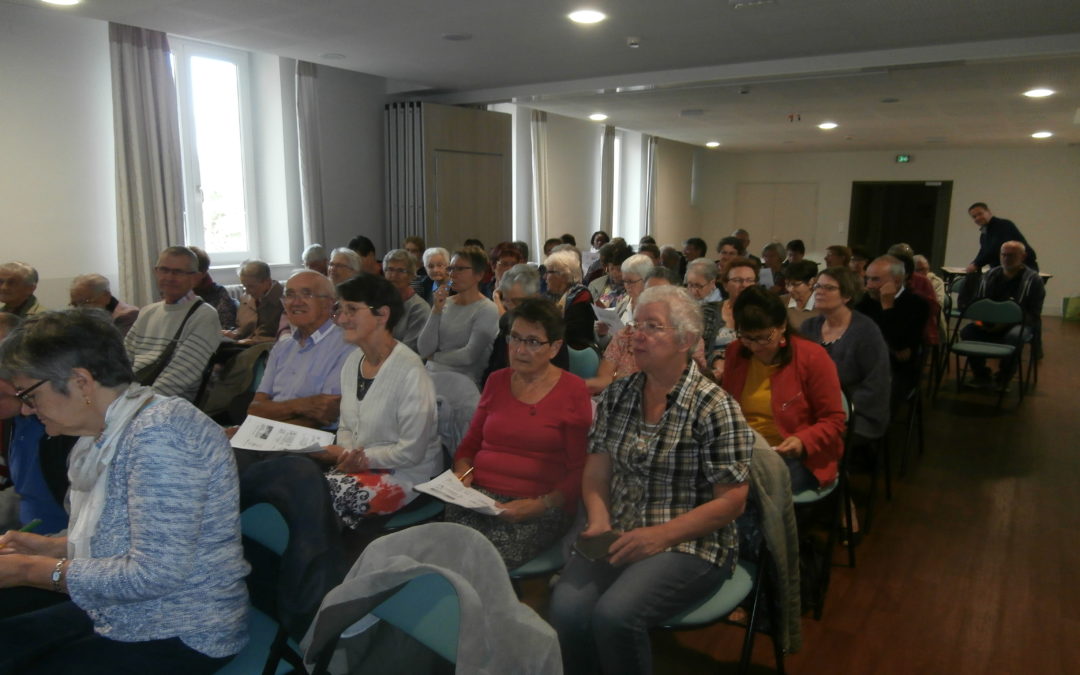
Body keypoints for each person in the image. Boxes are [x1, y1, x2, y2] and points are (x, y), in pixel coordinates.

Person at [0, 310, 248, 672]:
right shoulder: (111, 429)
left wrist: (29, 570)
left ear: (81, 381)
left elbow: (154, 574)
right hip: (124, 613)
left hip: (179, 629)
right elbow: (122, 538)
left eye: (30, 395)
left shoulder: (161, 435)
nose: (25, 408)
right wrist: (48, 546)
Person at [550, 285, 754, 675]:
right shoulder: (620, 394)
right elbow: (596, 469)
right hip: (621, 527)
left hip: (689, 540)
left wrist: (660, 536)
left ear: (686, 340)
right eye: (635, 324)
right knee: (566, 606)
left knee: (615, 615)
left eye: (652, 326)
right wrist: (598, 518)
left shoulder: (714, 406)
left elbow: (732, 502)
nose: (635, 335)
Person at [447, 299, 590, 569]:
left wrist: (540, 504)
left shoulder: (573, 391)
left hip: (536, 506)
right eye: (515, 338)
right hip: (478, 498)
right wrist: (463, 476)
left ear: (555, 347)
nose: (520, 349)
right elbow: (470, 446)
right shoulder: (496, 380)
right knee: (447, 548)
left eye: (533, 341)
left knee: (481, 561)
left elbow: (579, 469)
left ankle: (482, 608)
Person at [316, 274, 443, 526]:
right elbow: (346, 426)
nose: (341, 319)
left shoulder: (410, 371)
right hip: (360, 467)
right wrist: (348, 454)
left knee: (319, 499)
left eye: (351, 309)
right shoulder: (353, 362)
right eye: (340, 310)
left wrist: (360, 458)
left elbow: (411, 452)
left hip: (410, 475)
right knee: (301, 488)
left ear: (382, 315)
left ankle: (328, 560)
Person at [721, 285, 846, 491]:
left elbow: (834, 420)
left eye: (764, 337)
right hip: (746, 450)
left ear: (782, 326)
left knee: (743, 489)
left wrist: (801, 440)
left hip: (798, 455)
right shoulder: (736, 351)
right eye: (746, 337)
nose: (755, 346)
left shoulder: (811, 356)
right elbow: (727, 409)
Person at [246, 270, 354, 429]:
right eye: (289, 295)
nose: (296, 302)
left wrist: (272, 416)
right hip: (266, 436)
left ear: (329, 303)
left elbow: (325, 414)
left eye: (306, 294)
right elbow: (254, 409)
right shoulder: (282, 347)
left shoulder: (346, 346)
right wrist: (303, 405)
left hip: (312, 445)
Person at [799, 267, 892, 441]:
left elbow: (877, 384)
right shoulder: (809, 327)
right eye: (818, 286)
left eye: (829, 288)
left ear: (847, 296)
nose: (819, 292)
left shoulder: (866, 331)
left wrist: (831, 408)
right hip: (811, 407)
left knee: (808, 437)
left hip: (856, 411)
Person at [124, 246, 222, 401]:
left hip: (166, 405)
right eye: (163, 270)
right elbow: (122, 361)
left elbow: (179, 378)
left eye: (178, 272)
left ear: (195, 278)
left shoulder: (204, 316)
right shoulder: (147, 312)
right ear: (156, 272)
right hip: (133, 397)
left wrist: (135, 405)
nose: (169, 277)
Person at [961, 241, 1045, 390]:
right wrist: (981, 322)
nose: (1006, 258)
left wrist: (1005, 322)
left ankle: (1003, 378)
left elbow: (1033, 313)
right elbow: (978, 304)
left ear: (1023, 256)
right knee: (968, 331)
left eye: (1011, 255)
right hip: (988, 323)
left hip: (1019, 324)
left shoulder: (1033, 281)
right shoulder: (990, 275)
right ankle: (981, 375)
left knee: (1014, 336)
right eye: (1003, 255)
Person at [418, 248, 500, 386]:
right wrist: (436, 311)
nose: (452, 274)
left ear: (479, 275)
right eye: (450, 268)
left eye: (460, 269)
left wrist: (433, 357)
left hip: (464, 381)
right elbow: (424, 349)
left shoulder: (487, 309)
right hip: (431, 374)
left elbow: (469, 356)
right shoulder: (446, 303)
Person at [855, 255, 929, 400]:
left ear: (896, 281)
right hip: (865, 363)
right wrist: (888, 346)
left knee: (875, 396)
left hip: (898, 371)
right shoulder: (865, 301)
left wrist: (887, 307)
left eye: (875, 279)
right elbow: (856, 336)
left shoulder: (917, 304)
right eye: (867, 279)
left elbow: (901, 347)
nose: (868, 285)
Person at [543, 249, 596, 350]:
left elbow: (573, 336)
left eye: (548, 272)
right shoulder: (552, 296)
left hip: (573, 353)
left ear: (563, 275)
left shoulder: (581, 296)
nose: (544, 277)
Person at [965, 202, 1038, 272]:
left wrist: (976, 264)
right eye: (974, 217)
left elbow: (996, 248)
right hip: (1005, 271)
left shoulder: (1003, 225)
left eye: (980, 214)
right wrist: (973, 263)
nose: (977, 218)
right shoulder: (984, 234)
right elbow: (983, 251)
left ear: (989, 212)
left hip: (1023, 270)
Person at [382, 249, 430, 353]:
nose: (394, 275)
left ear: (411, 275)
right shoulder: (379, 302)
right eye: (390, 269)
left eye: (401, 271)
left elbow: (407, 350)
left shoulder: (419, 309)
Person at [225, 259, 284, 344]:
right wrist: (234, 334)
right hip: (245, 345)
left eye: (251, 286)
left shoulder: (283, 300)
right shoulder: (246, 298)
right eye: (244, 286)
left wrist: (255, 342)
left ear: (267, 281)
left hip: (268, 349)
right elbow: (243, 328)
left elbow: (288, 336)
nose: (247, 292)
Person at [69, 273, 139, 336]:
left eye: (85, 302)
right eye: (75, 304)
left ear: (106, 296)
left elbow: (114, 347)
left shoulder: (128, 315)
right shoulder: (86, 317)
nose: (78, 309)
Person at [189, 246, 238, 331]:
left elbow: (226, 326)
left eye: (189, 272)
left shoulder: (218, 293)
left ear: (202, 274)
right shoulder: (177, 293)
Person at [587, 241, 632, 309]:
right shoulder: (594, 286)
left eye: (619, 269)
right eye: (612, 268)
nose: (614, 273)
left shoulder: (635, 288)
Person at [780, 259, 821, 328]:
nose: (790, 289)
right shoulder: (781, 302)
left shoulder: (823, 307)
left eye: (795, 284)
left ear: (811, 282)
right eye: (787, 284)